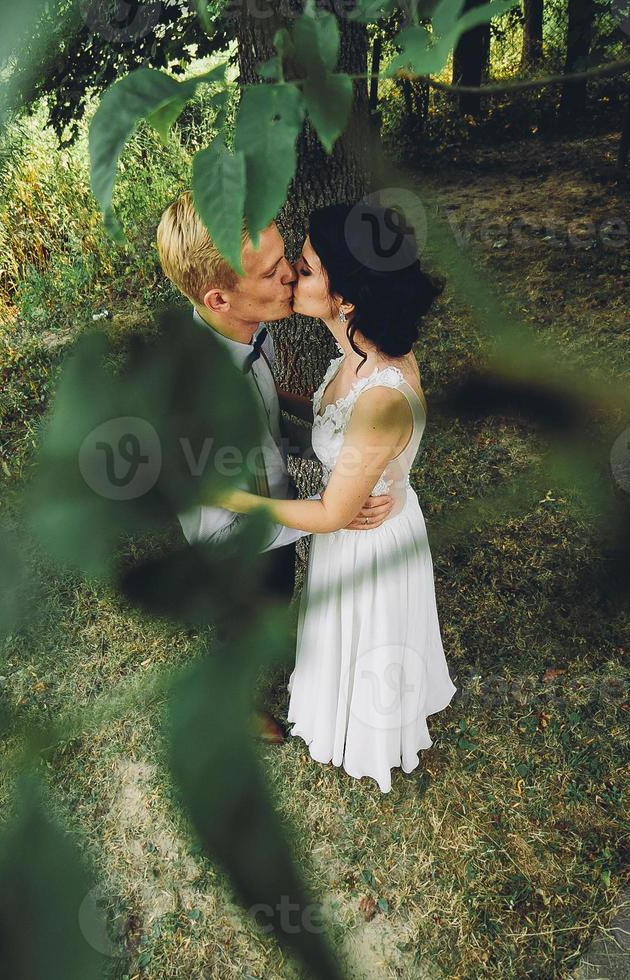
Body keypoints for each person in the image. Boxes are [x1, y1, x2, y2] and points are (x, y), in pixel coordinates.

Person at [210, 201, 457, 792]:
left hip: (366, 541)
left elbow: (331, 512)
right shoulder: (355, 350)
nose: (294, 272)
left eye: (309, 267)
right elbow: (327, 417)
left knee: (368, 648)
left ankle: (369, 734)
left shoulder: (381, 398)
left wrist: (231, 499)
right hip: (352, 530)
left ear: (345, 297)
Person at [154, 192, 393, 744]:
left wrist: (334, 438)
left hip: (271, 497)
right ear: (219, 297)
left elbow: (266, 414)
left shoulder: (247, 333)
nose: (293, 275)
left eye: (284, 256)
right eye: (271, 271)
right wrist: (331, 515)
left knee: (274, 599)